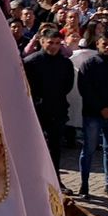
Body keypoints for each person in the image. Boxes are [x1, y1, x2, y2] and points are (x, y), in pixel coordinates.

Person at [75, 33, 108, 201]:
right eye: (104, 44)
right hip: (93, 114)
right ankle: (84, 185)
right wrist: (101, 108)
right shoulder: (88, 65)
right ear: (97, 44)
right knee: (88, 150)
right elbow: (85, 89)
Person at [23, 28, 74, 181]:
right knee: (34, 148)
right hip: (37, 111)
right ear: (42, 42)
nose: (54, 46)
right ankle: (33, 180)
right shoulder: (31, 62)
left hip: (57, 110)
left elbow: (67, 86)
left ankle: (55, 180)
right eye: (50, 42)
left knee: (55, 148)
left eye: (58, 43)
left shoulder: (65, 63)